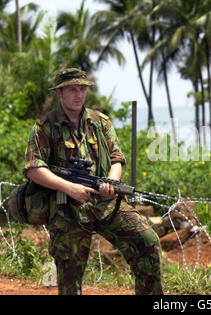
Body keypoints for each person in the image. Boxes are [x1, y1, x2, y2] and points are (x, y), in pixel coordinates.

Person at [23, 68, 163, 295]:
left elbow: (117, 159)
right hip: (66, 209)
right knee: (70, 278)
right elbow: (33, 168)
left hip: (105, 205)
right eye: (71, 89)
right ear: (59, 93)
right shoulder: (45, 126)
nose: (78, 94)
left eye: (82, 89)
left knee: (146, 241)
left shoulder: (101, 122)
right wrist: (69, 188)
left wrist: (111, 183)